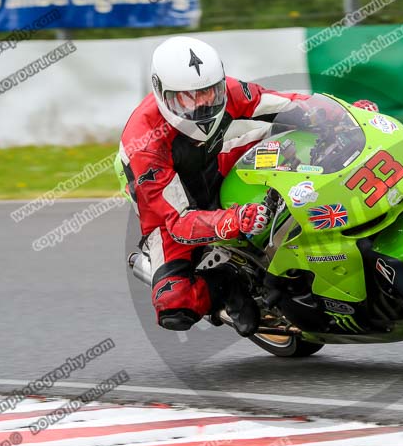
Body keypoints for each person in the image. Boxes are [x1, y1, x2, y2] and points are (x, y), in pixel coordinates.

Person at [117, 36, 311, 337]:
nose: (203, 103)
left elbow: (285, 104)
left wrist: (345, 115)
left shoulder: (230, 91)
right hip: (167, 208)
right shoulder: (143, 144)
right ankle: (225, 282)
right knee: (174, 306)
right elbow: (179, 221)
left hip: (217, 163)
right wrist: (234, 220)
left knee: (286, 131)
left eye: (209, 92)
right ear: (161, 92)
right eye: (188, 98)